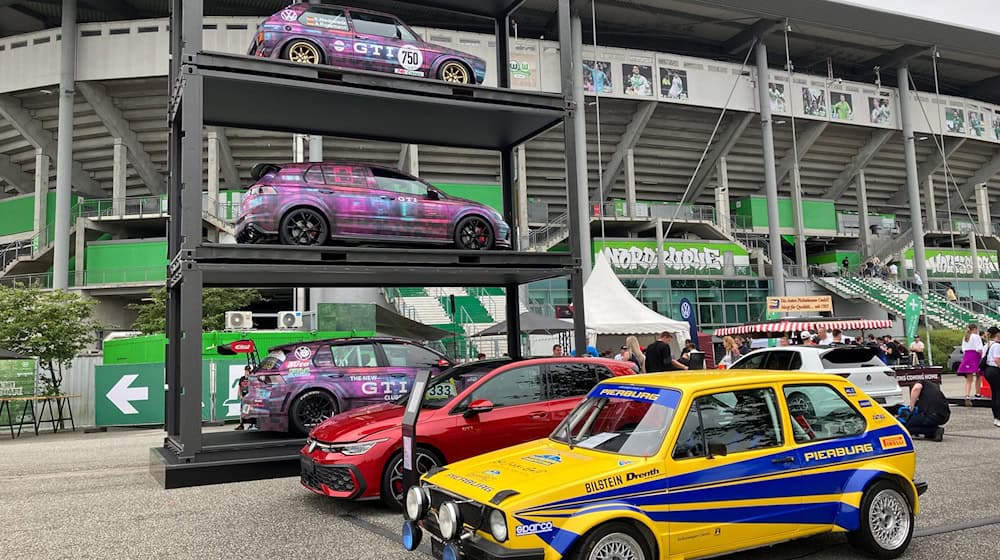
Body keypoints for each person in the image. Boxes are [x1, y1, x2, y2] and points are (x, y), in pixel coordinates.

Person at [957, 323, 984, 406]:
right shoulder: (976, 336)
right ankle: (978, 393)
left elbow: (963, 349)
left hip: (967, 356)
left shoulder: (965, 337)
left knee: (969, 378)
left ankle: (967, 395)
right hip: (975, 355)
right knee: (978, 375)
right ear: (975, 329)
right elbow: (979, 348)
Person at [982, 328, 1000, 427]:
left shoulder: (986, 345)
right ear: (997, 334)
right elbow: (997, 359)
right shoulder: (996, 345)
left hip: (988, 370)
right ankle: (999, 417)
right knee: (998, 394)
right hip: (995, 370)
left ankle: (996, 418)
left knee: (994, 394)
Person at [235, 365, 252, 431]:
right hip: (243, 396)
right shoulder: (242, 378)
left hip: (249, 396)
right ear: (244, 371)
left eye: (249, 370)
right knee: (242, 411)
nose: (247, 372)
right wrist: (240, 395)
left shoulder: (251, 378)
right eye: (246, 370)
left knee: (249, 411)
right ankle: (241, 425)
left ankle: (251, 424)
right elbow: (239, 388)